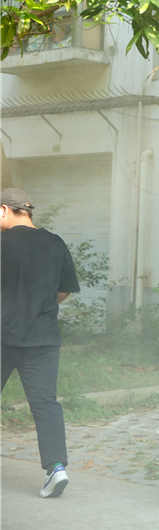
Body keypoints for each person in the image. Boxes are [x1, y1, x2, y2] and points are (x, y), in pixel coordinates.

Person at [1, 188, 79, 498]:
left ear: (4, 209)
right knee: (46, 404)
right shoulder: (55, 243)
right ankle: (56, 468)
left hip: (3, 336)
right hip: (43, 338)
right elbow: (64, 290)